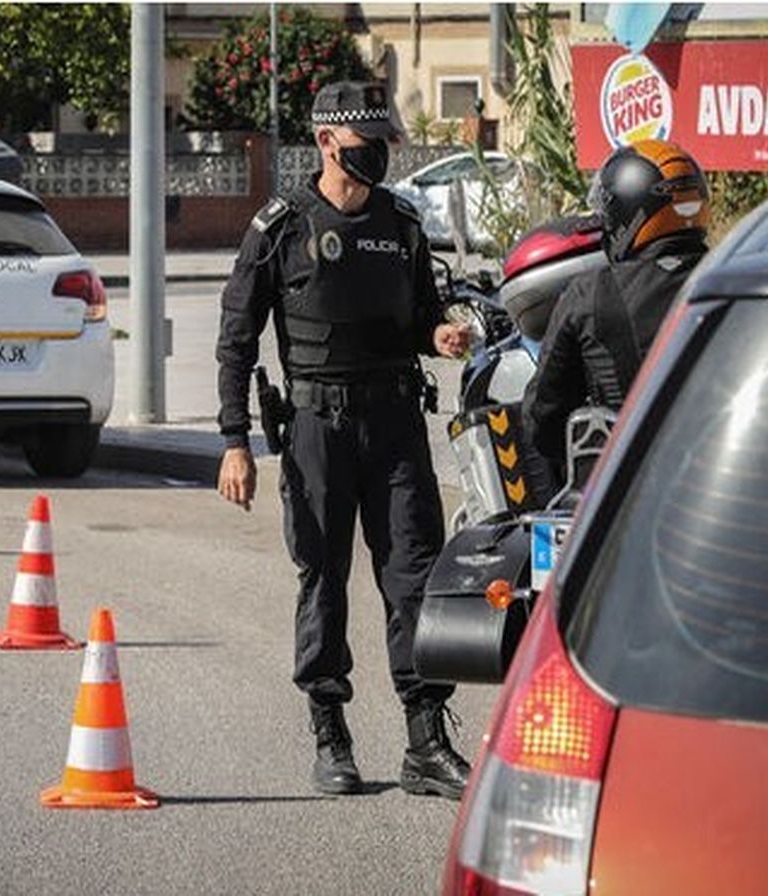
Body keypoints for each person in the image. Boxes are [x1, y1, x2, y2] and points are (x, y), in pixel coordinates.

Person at [215, 81, 473, 799]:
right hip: (315, 429)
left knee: (413, 579)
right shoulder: (280, 227)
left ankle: (426, 740)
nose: (380, 158)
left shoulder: (403, 223)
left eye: (384, 144)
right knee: (322, 579)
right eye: (367, 146)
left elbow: (424, 312)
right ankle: (331, 734)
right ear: (327, 142)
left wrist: (440, 333)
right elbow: (236, 340)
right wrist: (234, 441)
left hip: (394, 424)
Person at [522, 139, 711, 482]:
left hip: (627, 494)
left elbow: (542, 422)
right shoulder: (739, 279)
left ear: (626, 212)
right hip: (727, 481)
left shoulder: (592, 293)